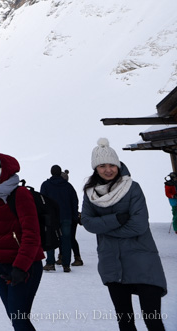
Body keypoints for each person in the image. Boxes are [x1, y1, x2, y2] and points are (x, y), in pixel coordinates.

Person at [81, 138, 167, 331]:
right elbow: (87, 223)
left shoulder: (132, 187)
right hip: (112, 262)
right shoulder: (90, 192)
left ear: (118, 165)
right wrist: (117, 219)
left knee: (153, 320)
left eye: (112, 165)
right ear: (95, 168)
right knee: (125, 322)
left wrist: (105, 229)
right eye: (102, 165)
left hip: (143, 261)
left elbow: (138, 225)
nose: (108, 169)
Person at [0, 153, 45, 331]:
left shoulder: (19, 194)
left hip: (25, 265)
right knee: (15, 318)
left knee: (19, 319)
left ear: (1, 172)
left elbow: (32, 234)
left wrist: (21, 267)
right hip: (1, 264)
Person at [39, 164, 78, 273]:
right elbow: (74, 201)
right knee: (66, 240)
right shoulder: (68, 186)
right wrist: (74, 216)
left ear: (51, 172)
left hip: (51, 218)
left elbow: (42, 202)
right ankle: (66, 265)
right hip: (66, 216)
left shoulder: (46, 185)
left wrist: (42, 216)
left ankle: (50, 263)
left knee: (50, 239)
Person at [57, 169, 83, 267]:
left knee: (64, 238)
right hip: (72, 217)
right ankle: (76, 257)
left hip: (67, 217)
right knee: (70, 238)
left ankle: (63, 256)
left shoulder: (64, 189)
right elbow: (75, 203)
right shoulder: (69, 188)